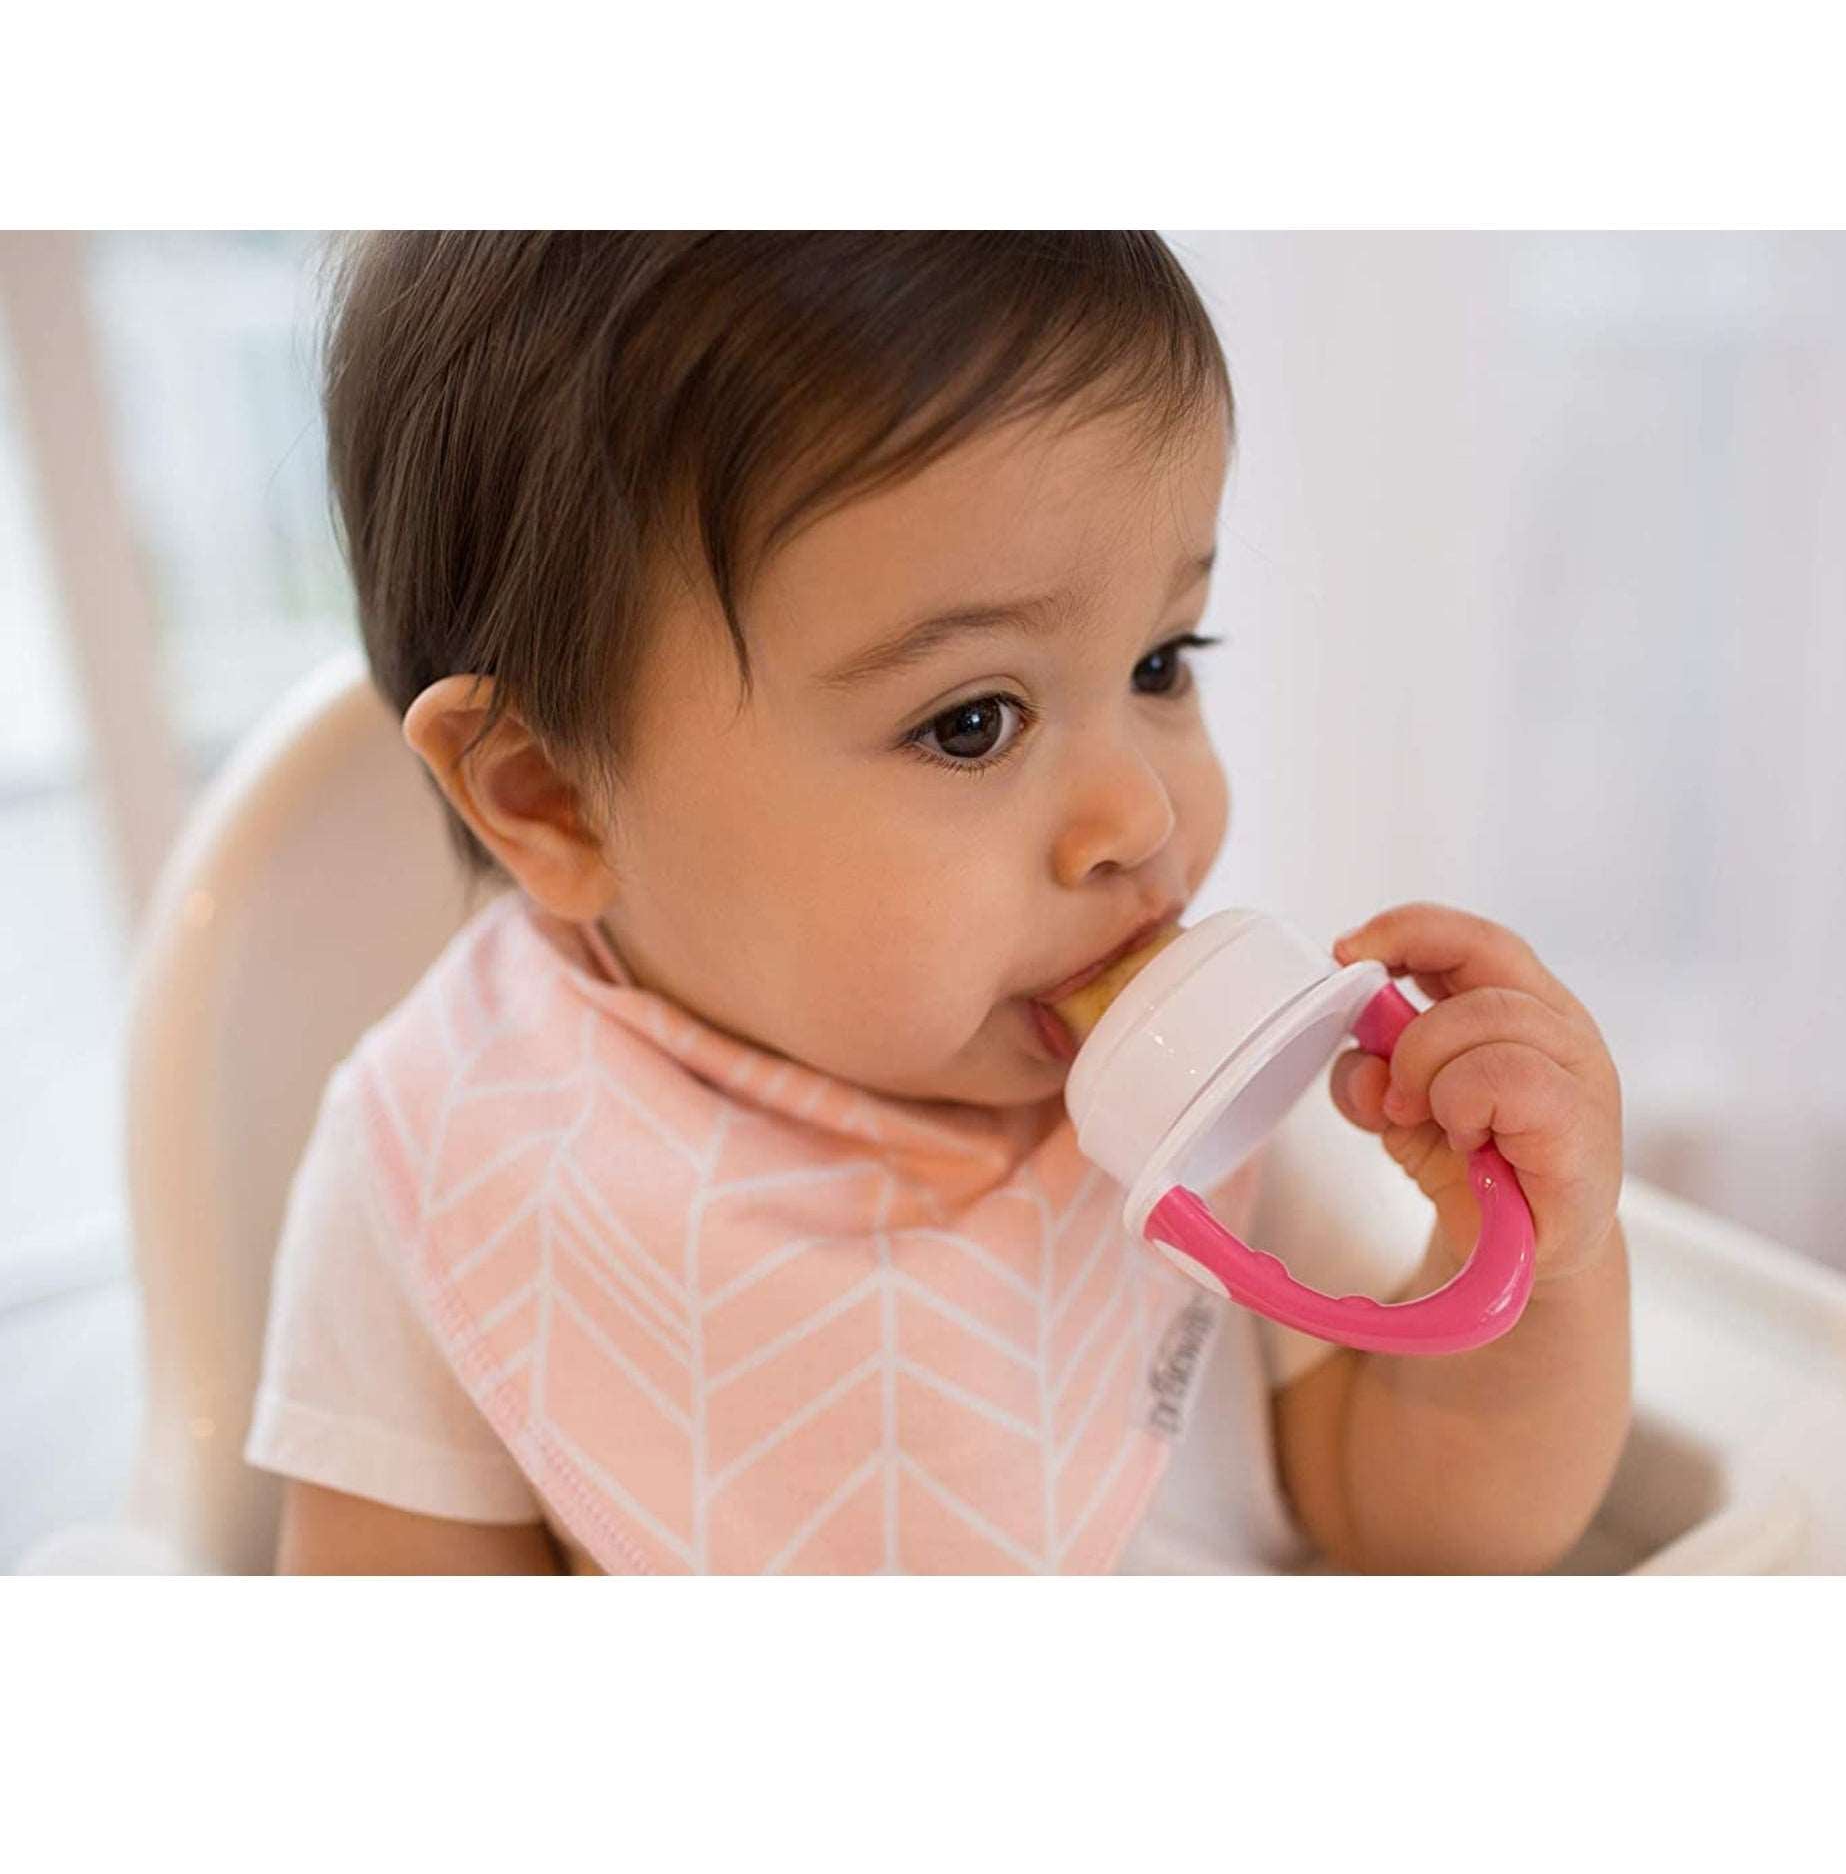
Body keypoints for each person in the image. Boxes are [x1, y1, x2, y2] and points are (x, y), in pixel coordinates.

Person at [247, 232, 1630, 1573]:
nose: (1141, 815)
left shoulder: (1197, 1088)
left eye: (1161, 662)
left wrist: (1533, 1261)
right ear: (555, 797)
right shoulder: (450, 1162)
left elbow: (1420, 1531)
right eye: (973, 723)